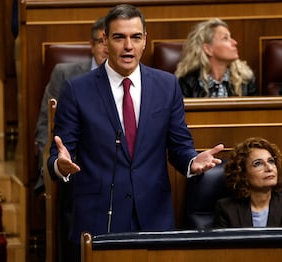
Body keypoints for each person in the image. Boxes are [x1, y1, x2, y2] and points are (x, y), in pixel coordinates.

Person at [47, 3, 225, 257]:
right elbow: (59, 153)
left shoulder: (167, 85)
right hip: (99, 219)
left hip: (153, 217)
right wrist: (60, 165)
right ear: (106, 41)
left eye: (135, 37)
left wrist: (191, 161)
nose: (128, 45)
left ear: (144, 42)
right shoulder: (77, 90)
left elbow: (179, 145)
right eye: (119, 37)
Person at [34, 17, 107, 262]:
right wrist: (49, 167)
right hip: (73, 166)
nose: (107, 48)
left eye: (113, 40)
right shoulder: (65, 74)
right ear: (92, 45)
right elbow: (45, 126)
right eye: (101, 41)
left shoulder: (138, 81)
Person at [213, 137, 282, 228]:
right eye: (258, 164)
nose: (269, 168)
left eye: (271, 161)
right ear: (242, 173)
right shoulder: (226, 209)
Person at [175, 18, 257, 98]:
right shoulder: (187, 82)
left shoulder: (245, 79)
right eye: (225, 38)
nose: (234, 42)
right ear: (208, 49)